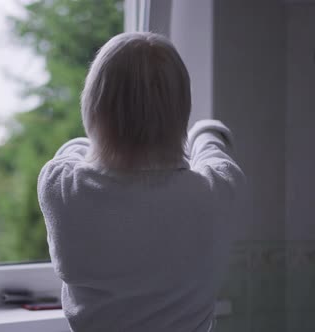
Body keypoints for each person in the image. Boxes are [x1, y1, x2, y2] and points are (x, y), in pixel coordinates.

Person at [37, 32, 245, 332]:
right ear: (180, 116)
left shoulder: (63, 189)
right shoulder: (213, 196)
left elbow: (72, 150)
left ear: (92, 111)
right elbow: (217, 155)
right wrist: (204, 131)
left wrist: (97, 141)